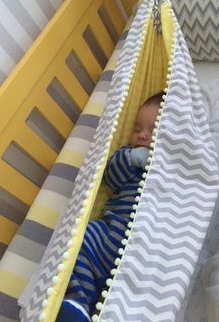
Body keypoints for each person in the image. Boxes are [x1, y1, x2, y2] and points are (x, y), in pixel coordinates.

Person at [56, 92, 164, 322]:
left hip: (141, 252)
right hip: (107, 236)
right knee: (80, 242)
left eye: (153, 129)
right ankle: (77, 305)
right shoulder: (127, 155)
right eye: (137, 128)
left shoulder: (171, 168)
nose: (143, 135)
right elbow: (110, 177)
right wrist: (134, 158)